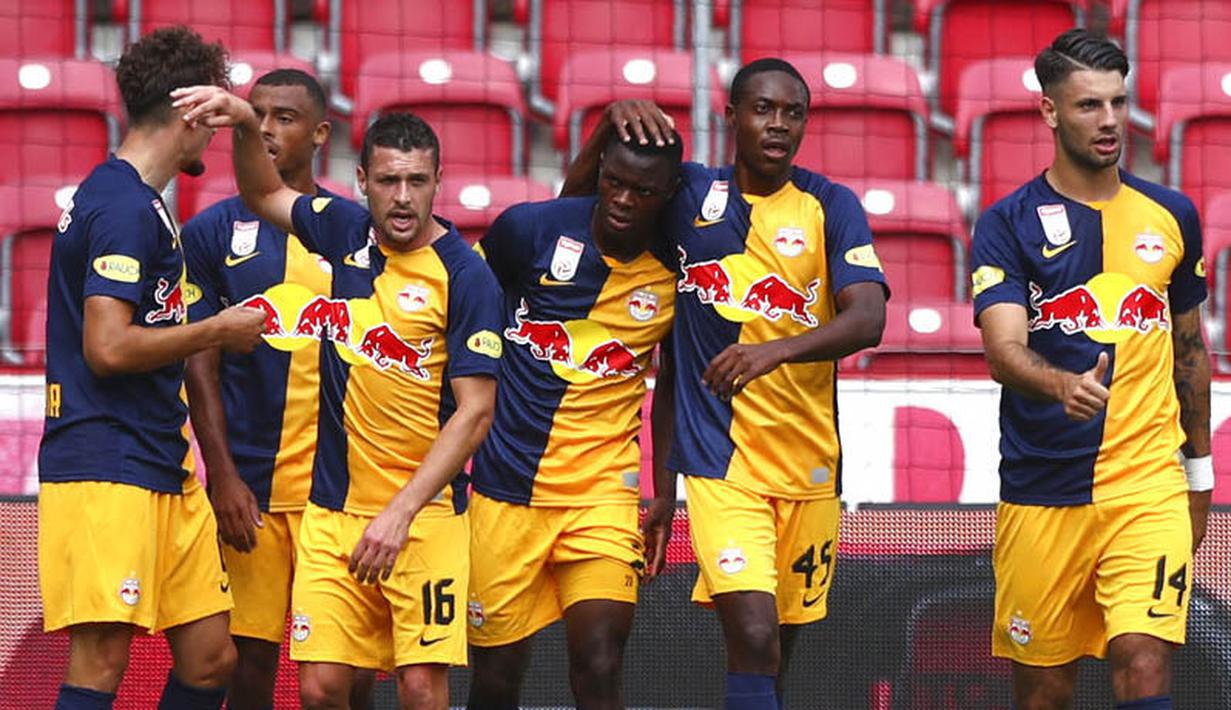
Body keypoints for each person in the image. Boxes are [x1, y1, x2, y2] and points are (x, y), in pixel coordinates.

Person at [563, 58, 889, 710]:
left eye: (791, 113)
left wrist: (776, 351)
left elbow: (868, 317)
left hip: (809, 469)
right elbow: (579, 208)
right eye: (763, 109)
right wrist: (604, 131)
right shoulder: (687, 196)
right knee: (753, 633)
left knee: (775, 654)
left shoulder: (830, 205)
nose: (777, 125)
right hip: (721, 465)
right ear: (730, 116)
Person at [173, 84, 503, 710]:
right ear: (361, 180)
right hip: (332, 511)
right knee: (322, 688)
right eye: (387, 181)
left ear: (438, 181)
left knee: (419, 688)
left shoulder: (467, 275)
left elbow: (476, 411)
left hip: (424, 518)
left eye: (416, 181)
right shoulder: (344, 233)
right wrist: (245, 123)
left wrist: (401, 512)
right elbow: (264, 193)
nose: (402, 198)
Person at [970, 29, 1212, 710]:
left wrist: (1198, 478)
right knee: (1045, 691)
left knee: (1142, 661)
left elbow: (1189, 354)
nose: (1108, 121)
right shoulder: (1005, 223)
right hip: (1042, 494)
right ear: (1048, 111)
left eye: (1117, 103)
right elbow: (1001, 349)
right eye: (1087, 106)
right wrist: (1058, 384)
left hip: (1147, 488)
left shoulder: (1172, 215)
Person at [37, 25, 267, 710]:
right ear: (192, 112)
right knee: (100, 661)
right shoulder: (122, 208)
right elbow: (107, 349)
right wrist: (217, 330)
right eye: (215, 115)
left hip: (159, 463)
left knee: (209, 660)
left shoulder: (142, 202)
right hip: (105, 463)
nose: (216, 134)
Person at [465, 131, 683, 710]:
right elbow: (464, 317)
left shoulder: (673, 272)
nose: (623, 200)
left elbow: (673, 387)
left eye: (643, 191)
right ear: (599, 175)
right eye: (613, 183)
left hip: (602, 494)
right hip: (504, 491)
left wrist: (665, 491)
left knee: (600, 664)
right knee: (495, 680)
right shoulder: (527, 231)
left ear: (667, 196)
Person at [181, 68, 374, 710]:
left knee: (347, 668)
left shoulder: (354, 232)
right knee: (251, 660)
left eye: (284, 117)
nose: (264, 128)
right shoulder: (209, 233)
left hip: (341, 491)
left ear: (320, 133)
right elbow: (199, 363)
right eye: (255, 113)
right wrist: (224, 475)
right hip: (254, 487)